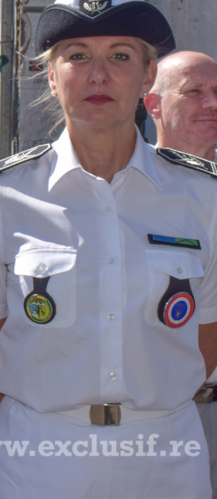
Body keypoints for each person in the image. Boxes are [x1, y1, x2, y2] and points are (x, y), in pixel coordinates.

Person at [0, 0, 217, 498]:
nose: (98, 74)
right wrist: (50, 418)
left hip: (164, 454)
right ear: (51, 76)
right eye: (77, 56)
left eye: (120, 56)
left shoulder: (200, 195)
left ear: (148, 76)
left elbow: (206, 336)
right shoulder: (6, 194)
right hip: (39, 455)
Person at [144, 50, 217, 499]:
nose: (211, 102)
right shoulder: (120, 190)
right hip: (158, 416)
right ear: (153, 105)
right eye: (194, 92)